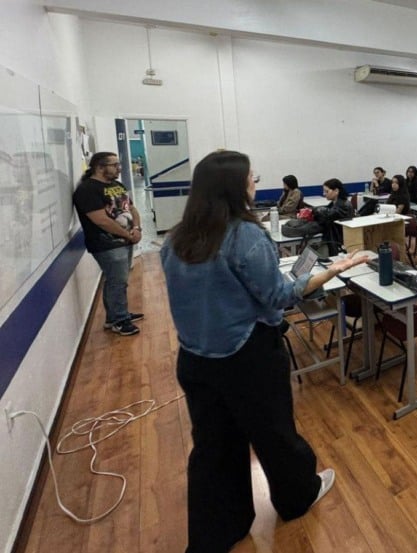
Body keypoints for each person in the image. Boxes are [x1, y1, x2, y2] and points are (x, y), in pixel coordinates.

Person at [161, 150, 368, 552]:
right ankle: (298, 495)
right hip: (247, 357)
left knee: (213, 447)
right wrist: (329, 271)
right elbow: (277, 296)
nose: (256, 184)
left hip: (195, 360)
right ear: (235, 188)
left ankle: (221, 529)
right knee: (274, 435)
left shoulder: (176, 238)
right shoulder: (244, 234)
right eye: (252, 179)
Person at [72, 151, 144, 336]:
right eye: (114, 165)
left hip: (125, 240)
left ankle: (116, 315)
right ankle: (119, 320)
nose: (119, 168)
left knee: (119, 281)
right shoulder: (87, 190)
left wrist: (136, 228)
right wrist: (127, 234)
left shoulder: (117, 185)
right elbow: (101, 220)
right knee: (116, 282)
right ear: (99, 167)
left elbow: (132, 208)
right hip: (106, 245)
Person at [312, 178, 355, 253]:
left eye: (326, 191)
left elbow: (328, 215)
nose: (324, 194)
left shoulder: (344, 206)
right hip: (334, 238)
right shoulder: (335, 203)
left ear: (336, 191)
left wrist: (314, 211)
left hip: (339, 242)